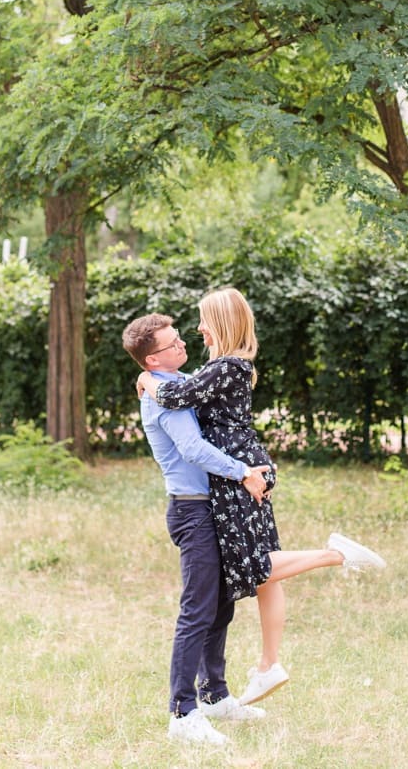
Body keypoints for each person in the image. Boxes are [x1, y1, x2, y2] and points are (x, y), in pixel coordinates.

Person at [137, 287, 387, 706]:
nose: (197, 329)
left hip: (241, 475)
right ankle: (268, 665)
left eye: (202, 320)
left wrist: (147, 379)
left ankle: (334, 555)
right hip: (245, 471)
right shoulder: (222, 367)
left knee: (253, 565)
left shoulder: (226, 367)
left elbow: (179, 398)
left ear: (220, 324)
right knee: (263, 571)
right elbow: (187, 394)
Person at [125, 312, 272, 746]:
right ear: (152, 359)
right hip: (192, 511)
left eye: (180, 339)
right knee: (197, 610)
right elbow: (192, 448)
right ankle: (182, 712)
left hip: (213, 508)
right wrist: (243, 471)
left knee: (222, 604)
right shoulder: (159, 395)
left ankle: (214, 695)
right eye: (172, 345)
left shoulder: (174, 383)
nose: (182, 346)